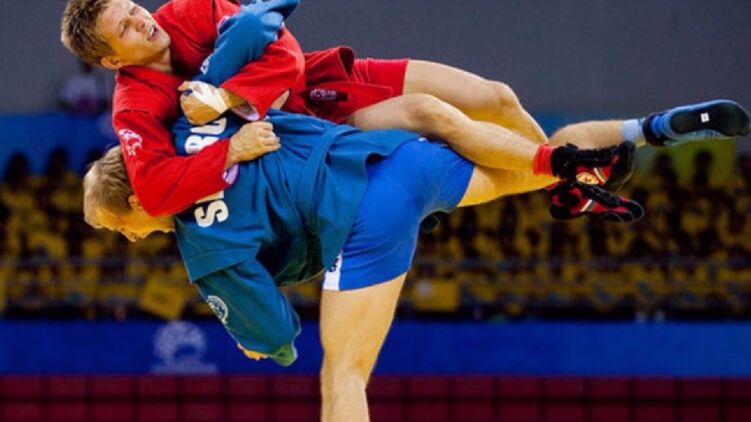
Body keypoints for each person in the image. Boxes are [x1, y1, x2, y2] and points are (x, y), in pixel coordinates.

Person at [61, 0, 751, 220]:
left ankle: (567, 182)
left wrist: (227, 95)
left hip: (324, 78)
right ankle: (596, 158)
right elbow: (155, 188)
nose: (143, 19)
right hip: (307, 132)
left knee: (495, 97)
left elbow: (283, 52)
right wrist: (231, 145)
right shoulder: (134, 106)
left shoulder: (186, 12)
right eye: (126, 27)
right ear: (112, 59)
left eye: (133, 6)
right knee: (430, 113)